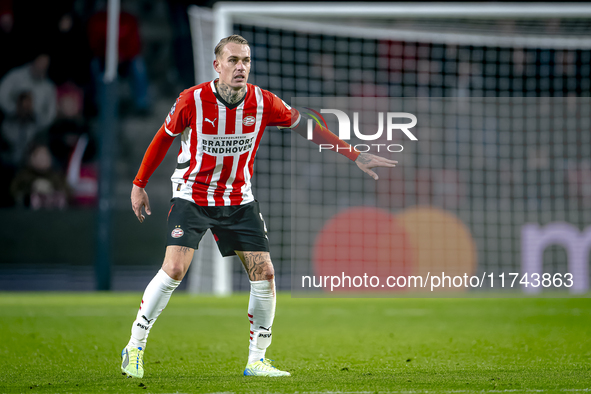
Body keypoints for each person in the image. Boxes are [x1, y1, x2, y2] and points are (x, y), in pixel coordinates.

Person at [121, 34, 397, 379]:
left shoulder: (263, 102)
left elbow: (307, 128)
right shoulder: (192, 101)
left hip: (239, 201)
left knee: (265, 274)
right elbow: (163, 138)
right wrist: (139, 184)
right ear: (217, 65)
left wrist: (354, 154)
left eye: (246, 61)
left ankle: (257, 359)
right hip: (193, 196)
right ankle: (134, 345)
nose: (241, 67)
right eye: (234, 60)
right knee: (175, 270)